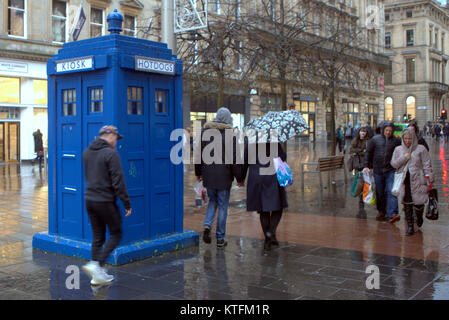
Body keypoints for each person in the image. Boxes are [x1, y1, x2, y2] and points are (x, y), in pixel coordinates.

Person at [82, 125, 132, 285]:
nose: (116, 142)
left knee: (98, 237)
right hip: (104, 201)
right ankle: (97, 265)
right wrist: (126, 203)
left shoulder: (87, 152)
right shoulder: (111, 154)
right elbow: (118, 181)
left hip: (89, 199)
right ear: (110, 136)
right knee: (116, 234)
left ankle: (97, 277)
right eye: (116, 139)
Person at [195, 107, 243, 248]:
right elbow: (235, 160)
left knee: (212, 201)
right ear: (228, 119)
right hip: (224, 176)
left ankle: (207, 225)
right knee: (222, 206)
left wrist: (198, 173)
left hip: (209, 176)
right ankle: (220, 239)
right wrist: (239, 177)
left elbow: (199, 155)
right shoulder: (230, 135)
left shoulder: (205, 133)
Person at [239, 140, 288, 252]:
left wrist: (240, 178)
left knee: (263, 209)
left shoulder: (251, 142)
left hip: (257, 177)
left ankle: (268, 238)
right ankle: (271, 233)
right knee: (278, 207)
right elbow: (283, 158)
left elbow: (245, 162)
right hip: (273, 177)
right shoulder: (274, 141)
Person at [391, 129, 434, 235]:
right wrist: (404, 158)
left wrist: (429, 178)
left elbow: (427, 164)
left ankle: (419, 217)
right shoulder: (398, 149)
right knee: (407, 203)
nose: (407, 141)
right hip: (405, 181)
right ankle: (410, 225)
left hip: (418, 180)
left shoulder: (421, 149)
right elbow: (394, 164)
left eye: (410, 138)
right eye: (405, 138)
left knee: (419, 203)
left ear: (414, 138)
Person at [363, 121, 401, 223]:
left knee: (391, 190)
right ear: (383, 130)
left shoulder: (396, 141)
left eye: (390, 130)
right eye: (386, 130)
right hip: (378, 170)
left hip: (390, 170)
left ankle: (392, 213)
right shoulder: (375, 140)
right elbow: (368, 153)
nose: (388, 132)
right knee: (380, 192)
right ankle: (381, 211)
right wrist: (366, 165)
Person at [349, 127, 370, 216]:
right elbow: (351, 150)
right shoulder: (355, 140)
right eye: (362, 131)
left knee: (364, 181)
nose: (363, 133)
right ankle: (360, 196)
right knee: (358, 181)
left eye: (364, 132)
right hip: (357, 164)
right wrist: (361, 151)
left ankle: (363, 197)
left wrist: (358, 152)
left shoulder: (368, 141)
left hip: (364, 164)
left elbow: (367, 152)